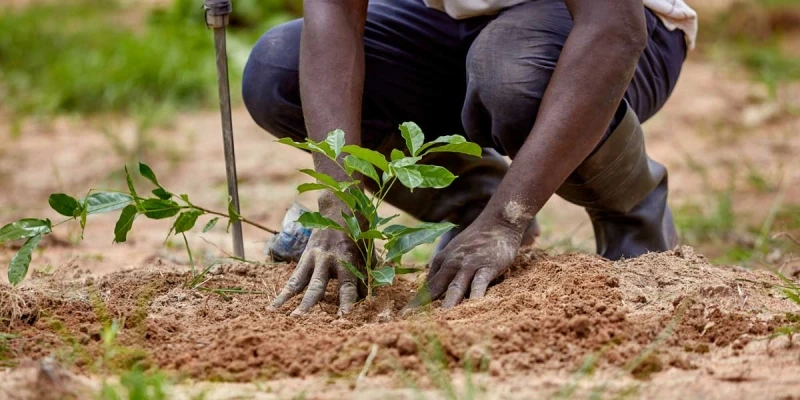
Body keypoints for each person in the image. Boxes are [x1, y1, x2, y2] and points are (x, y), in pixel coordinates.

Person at [241, 0, 697, 316]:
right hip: (453, 24)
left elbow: (614, 29)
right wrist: (341, 205)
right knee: (278, 70)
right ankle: (471, 200)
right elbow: (333, 12)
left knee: (511, 74)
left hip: (616, 32)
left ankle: (631, 206)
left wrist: (508, 220)